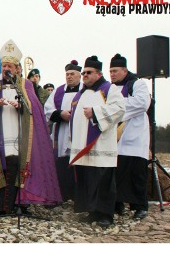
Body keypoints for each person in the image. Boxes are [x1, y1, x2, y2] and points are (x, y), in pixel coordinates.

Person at [0, 40, 61, 214]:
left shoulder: (25, 85)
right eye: (4, 65)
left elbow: (35, 108)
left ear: (17, 68)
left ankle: (20, 204)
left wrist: (22, 108)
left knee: (19, 167)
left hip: (20, 136)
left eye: (10, 66)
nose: (6, 69)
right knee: (2, 167)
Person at [69, 55, 125, 228]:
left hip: (101, 146)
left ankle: (105, 215)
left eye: (88, 72)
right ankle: (91, 211)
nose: (84, 75)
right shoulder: (81, 93)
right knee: (88, 180)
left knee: (103, 182)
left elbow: (120, 109)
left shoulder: (110, 89)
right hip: (82, 147)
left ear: (99, 74)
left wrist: (95, 112)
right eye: (83, 72)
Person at [109, 53, 150, 220]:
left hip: (134, 135)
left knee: (136, 173)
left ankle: (140, 206)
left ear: (125, 70)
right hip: (115, 137)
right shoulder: (110, 87)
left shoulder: (138, 84)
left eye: (115, 70)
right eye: (110, 71)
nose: (112, 74)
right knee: (116, 173)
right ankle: (117, 204)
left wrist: (117, 107)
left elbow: (142, 103)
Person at [44, 60, 83, 201]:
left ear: (80, 75)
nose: (69, 77)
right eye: (67, 74)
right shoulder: (58, 91)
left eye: (72, 74)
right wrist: (60, 114)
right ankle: (62, 194)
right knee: (61, 164)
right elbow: (48, 109)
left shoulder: (86, 90)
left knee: (79, 163)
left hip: (80, 133)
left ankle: (78, 196)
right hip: (62, 132)